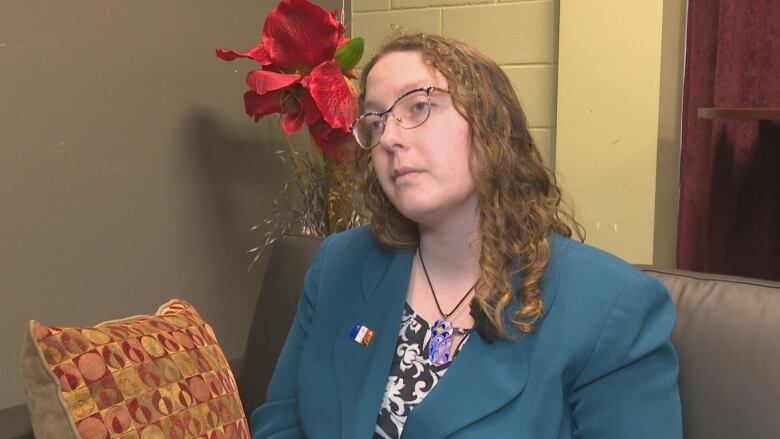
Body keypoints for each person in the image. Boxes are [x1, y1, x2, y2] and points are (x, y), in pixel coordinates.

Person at [251, 32, 682, 438]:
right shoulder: (339, 263)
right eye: (376, 122)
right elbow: (282, 421)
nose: (391, 139)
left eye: (418, 106)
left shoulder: (612, 306)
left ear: (492, 123)